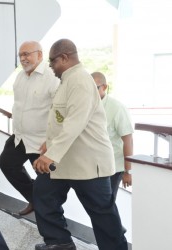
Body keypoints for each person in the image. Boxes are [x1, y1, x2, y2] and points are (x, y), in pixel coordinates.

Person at [33, 39, 128, 250]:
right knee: (43, 194)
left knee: (103, 216)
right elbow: (63, 119)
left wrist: (50, 155)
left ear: (65, 58)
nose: (51, 67)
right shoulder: (68, 80)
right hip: (66, 160)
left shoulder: (81, 81)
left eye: (52, 62)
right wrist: (50, 145)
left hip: (89, 164)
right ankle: (60, 242)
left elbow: (75, 122)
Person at [0, 41, 59, 216]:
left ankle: (53, 227)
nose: (23, 58)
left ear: (39, 54)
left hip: (42, 141)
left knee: (47, 185)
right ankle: (33, 199)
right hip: (20, 137)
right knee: (7, 163)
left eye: (27, 54)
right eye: (21, 55)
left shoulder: (51, 77)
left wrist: (51, 140)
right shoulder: (20, 76)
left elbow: (58, 111)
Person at [91, 72, 133, 200]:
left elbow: (128, 141)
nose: (90, 92)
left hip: (113, 166)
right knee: (95, 202)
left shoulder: (117, 108)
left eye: (95, 88)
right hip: (92, 165)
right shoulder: (86, 105)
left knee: (107, 203)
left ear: (105, 87)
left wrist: (128, 172)